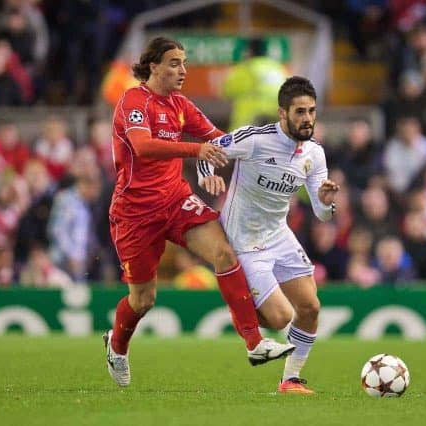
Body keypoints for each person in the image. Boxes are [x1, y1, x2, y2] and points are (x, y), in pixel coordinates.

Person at [104, 37, 294, 387]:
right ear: (153, 66)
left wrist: (268, 157)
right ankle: (117, 346)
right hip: (135, 212)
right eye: (174, 62)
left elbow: (221, 140)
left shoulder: (181, 104)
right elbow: (144, 147)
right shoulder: (134, 100)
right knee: (143, 299)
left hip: (176, 200)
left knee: (223, 251)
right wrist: (199, 152)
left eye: (185, 62)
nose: (183, 70)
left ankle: (254, 343)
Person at [197, 76, 340, 394]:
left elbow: (320, 211)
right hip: (245, 242)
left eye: (311, 111)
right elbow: (208, 152)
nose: (307, 119)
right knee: (279, 318)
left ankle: (290, 380)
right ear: (282, 113)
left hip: (279, 234)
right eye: (300, 112)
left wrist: (328, 204)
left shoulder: (314, 154)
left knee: (311, 308)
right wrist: (208, 177)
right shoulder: (255, 140)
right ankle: (241, 307)